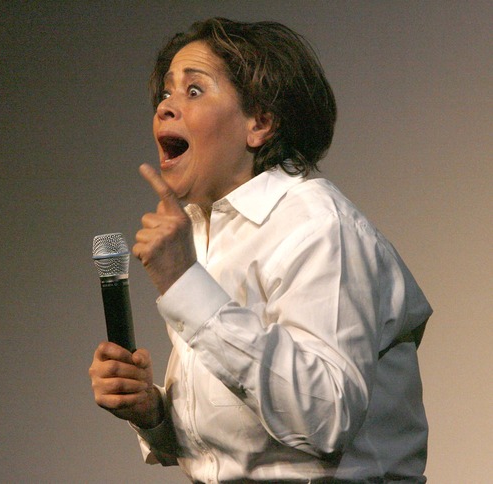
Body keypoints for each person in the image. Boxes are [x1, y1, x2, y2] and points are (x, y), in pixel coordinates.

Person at [89, 18, 432, 483]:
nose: (166, 108)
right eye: (164, 94)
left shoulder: (318, 226)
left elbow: (325, 418)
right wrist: (155, 413)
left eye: (193, 91)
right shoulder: (204, 230)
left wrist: (185, 284)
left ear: (260, 123)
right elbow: (240, 446)